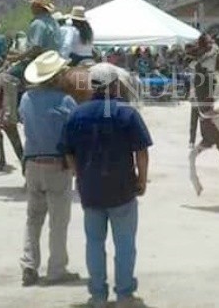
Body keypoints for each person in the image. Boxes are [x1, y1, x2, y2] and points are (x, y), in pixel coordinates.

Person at [63, 65, 151, 307]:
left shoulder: (76, 114)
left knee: (94, 242)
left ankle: (98, 296)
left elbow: (68, 153)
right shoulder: (127, 113)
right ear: (115, 85)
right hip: (123, 189)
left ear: (92, 86)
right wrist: (142, 179)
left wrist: (79, 175)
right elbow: (141, 152)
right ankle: (124, 295)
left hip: (91, 189)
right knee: (124, 244)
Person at [18, 51, 80, 287]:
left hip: (32, 163)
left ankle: (29, 264)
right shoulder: (66, 101)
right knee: (58, 220)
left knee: (33, 218)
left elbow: (23, 121)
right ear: (56, 76)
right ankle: (56, 270)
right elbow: (74, 132)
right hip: (57, 165)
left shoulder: (25, 98)